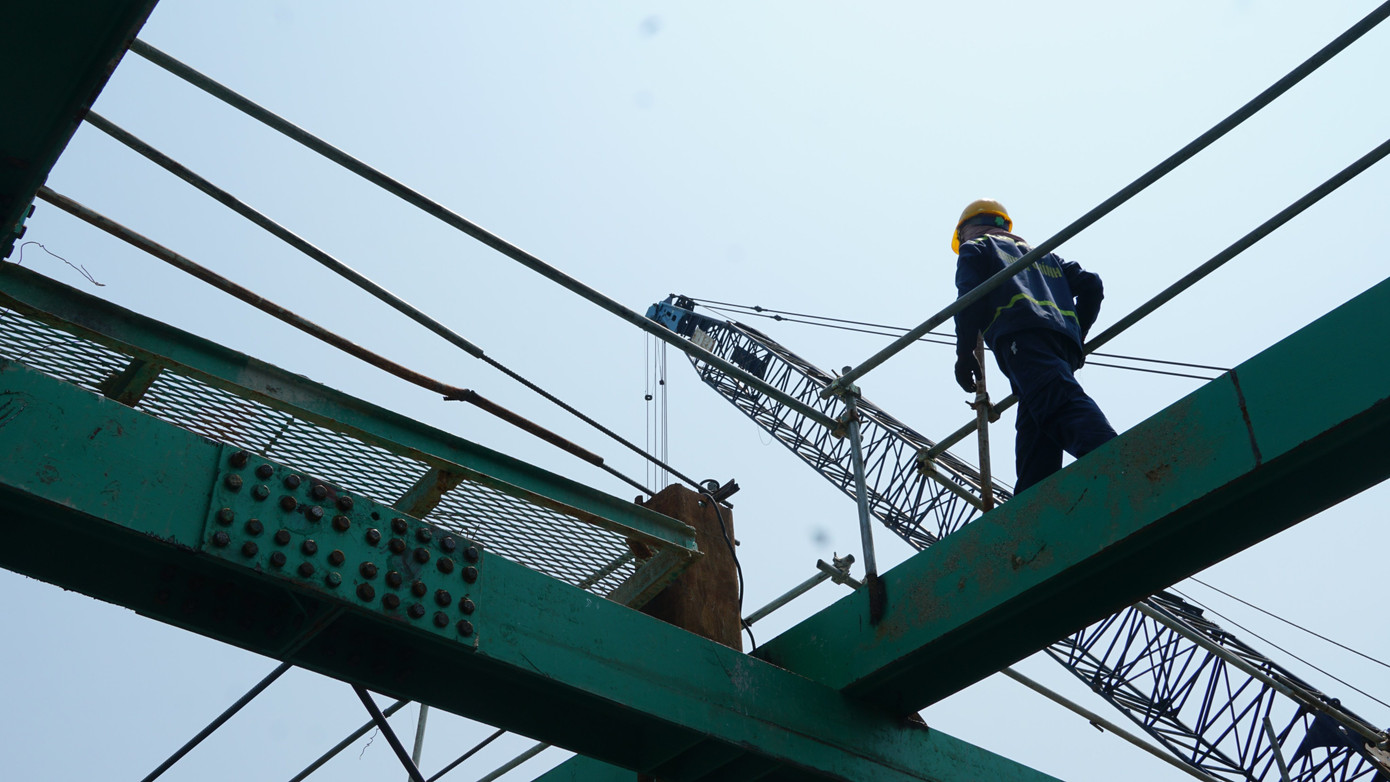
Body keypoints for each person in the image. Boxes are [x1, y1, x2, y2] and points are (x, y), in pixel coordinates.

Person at [950, 198, 1117, 494]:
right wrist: (1078, 334)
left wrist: (964, 354)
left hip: (1021, 336)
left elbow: (969, 299)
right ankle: (1033, 503)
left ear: (966, 229)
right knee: (1036, 429)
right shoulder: (1044, 256)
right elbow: (1092, 285)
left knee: (1058, 403)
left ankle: (1121, 461)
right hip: (1062, 343)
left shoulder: (977, 247)